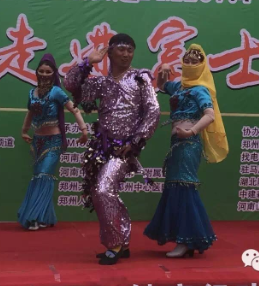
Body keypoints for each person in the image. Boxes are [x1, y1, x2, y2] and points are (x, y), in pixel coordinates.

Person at [64, 33, 160, 265]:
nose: (126, 54)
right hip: (101, 148)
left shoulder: (140, 78)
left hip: (124, 149)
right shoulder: (102, 83)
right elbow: (71, 85)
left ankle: (114, 244)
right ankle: (122, 242)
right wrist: (88, 62)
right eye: (121, 49)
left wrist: (135, 142)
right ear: (110, 52)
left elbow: (153, 110)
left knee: (104, 189)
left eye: (130, 50)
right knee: (102, 193)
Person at [144, 44, 229, 258]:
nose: (190, 65)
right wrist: (163, 69)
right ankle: (186, 239)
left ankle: (186, 240)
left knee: (183, 185)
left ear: (202, 66)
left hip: (189, 144)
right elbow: (161, 85)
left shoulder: (200, 90)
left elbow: (209, 115)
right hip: (177, 142)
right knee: (176, 185)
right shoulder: (180, 87)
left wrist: (191, 132)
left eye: (194, 62)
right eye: (187, 61)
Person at [18, 53, 88, 231]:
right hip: (37, 141)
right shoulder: (32, 93)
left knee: (44, 175)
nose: (44, 74)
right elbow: (30, 113)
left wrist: (84, 130)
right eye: (41, 71)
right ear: (37, 72)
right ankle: (45, 216)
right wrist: (24, 130)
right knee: (39, 177)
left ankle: (34, 217)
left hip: (53, 141)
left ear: (54, 73)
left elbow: (74, 110)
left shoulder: (56, 92)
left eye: (48, 72)